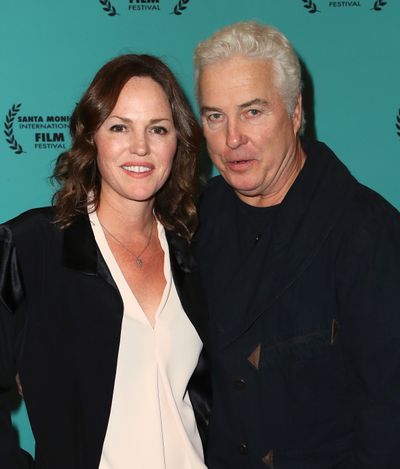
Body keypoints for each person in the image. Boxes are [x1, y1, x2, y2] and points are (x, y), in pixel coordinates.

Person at [194, 21, 400, 468]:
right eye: (215, 116)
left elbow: (389, 419)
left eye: (252, 112)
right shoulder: (195, 219)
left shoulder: (368, 232)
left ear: (295, 112)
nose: (232, 139)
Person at [0, 54, 210, 469]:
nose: (141, 147)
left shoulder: (197, 249)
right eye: (119, 127)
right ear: (91, 136)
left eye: (158, 129)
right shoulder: (32, 247)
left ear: (177, 142)